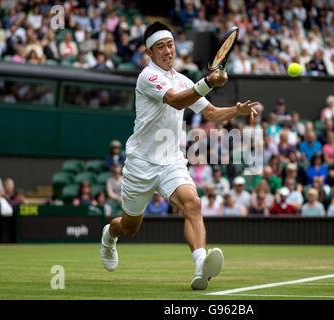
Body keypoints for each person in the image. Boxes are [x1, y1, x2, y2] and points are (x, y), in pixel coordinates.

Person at [100, 22, 258, 291]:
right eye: (160, 47)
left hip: (171, 161)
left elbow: (211, 113)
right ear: (150, 52)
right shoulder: (147, 77)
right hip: (141, 163)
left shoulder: (184, 79)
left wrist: (236, 111)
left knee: (192, 203)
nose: (167, 51)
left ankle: (200, 267)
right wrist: (208, 82)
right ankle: (109, 235)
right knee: (129, 228)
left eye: (170, 45)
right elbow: (175, 100)